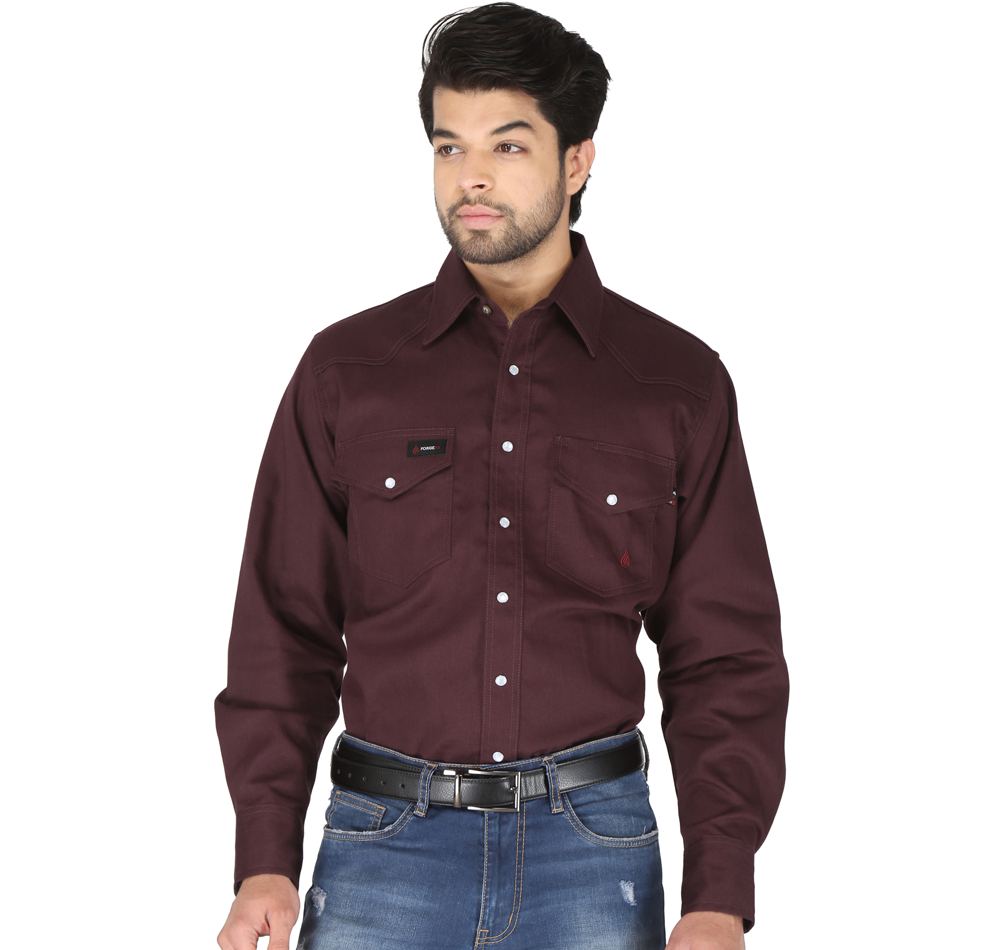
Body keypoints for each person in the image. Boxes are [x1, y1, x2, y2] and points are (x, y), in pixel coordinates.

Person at [215, 4, 788, 949]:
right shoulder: (347, 372)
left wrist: (718, 894)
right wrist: (264, 857)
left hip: (593, 856)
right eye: (449, 146)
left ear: (578, 160)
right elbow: (283, 628)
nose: (469, 177)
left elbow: (725, 656)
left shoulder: (676, 383)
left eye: (508, 146)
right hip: (382, 853)